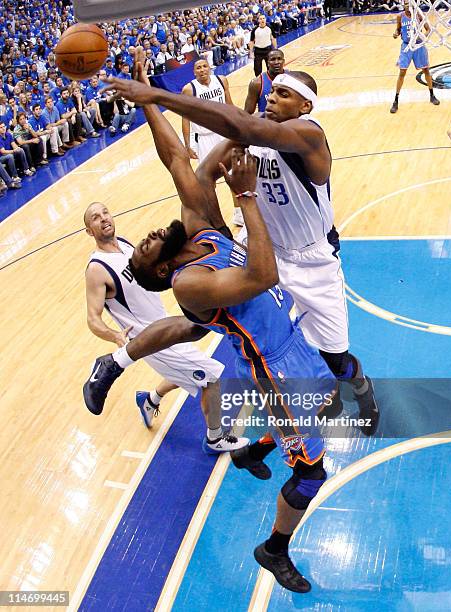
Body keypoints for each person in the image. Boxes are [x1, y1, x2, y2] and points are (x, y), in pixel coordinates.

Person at [86, 52, 337, 592]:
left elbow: (175, 157)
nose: (147, 237)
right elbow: (263, 274)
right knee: (313, 470)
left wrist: (150, 93)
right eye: (145, 252)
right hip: (274, 369)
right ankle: (274, 548)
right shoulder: (188, 284)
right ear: (158, 271)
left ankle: (248, 448)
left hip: (290, 342)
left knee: (330, 400)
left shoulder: (198, 227)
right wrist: (245, 196)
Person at [102, 69, 379, 437]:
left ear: (304, 106)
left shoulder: (309, 133)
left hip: (313, 262)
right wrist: (151, 104)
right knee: (205, 321)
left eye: (282, 94)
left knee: (335, 359)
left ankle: (361, 387)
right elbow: (192, 171)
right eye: (271, 91)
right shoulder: (250, 137)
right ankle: (116, 363)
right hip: (266, 253)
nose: (272, 98)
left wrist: (156, 97)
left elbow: (243, 126)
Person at [83, 202, 248, 453]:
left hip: (165, 327)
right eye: (95, 218)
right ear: (89, 230)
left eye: (105, 212)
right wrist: (114, 335)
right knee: (210, 378)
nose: (103, 218)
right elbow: (92, 319)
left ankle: (150, 400)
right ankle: (215, 438)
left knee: (188, 371)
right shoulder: (97, 269)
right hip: (149, 341)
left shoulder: (126, 246)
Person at [181, 58, 243, 226]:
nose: (202, 70)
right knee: (207, 180)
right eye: (198, 68)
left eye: (204, 66)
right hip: (205, 137)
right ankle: (214, 218)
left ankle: (239, 212)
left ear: (210, 68)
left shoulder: (221, 80)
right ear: (194, 72)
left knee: (234, 172)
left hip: (224, 133)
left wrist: (239, 124)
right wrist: (187, 145)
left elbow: (229, 104)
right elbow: (185, 118)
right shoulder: (189, 89)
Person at [390, 1, 440, 114]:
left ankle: (432, 95)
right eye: (406, 3)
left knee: (426, 70)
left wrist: (423, 37)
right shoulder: (400, 16)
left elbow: (428, 29)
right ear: (403, 5)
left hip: (418, 46)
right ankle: (395, 100)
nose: (407, 5)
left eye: (409, 3)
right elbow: (398, 29)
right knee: (402, 72)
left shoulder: (418, 15)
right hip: (406, 46)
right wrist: (396, 33)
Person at [244, 49, 285, 114]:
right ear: (268, 63)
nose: (276, 62)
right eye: (273, 59)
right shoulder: (257, 83)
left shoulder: (291, 78)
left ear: (283, 61)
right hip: (267, 123)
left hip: (287, 122)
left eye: (279, 59)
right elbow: (247, 112)